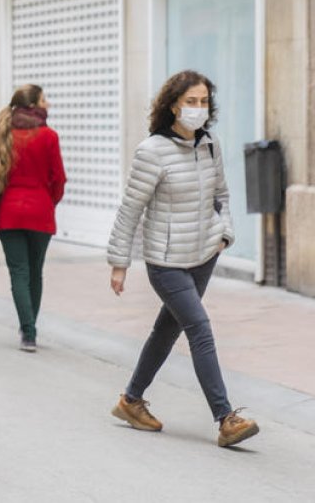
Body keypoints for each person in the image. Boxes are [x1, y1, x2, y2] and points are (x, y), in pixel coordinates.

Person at [107, 70, 259, 448]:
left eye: (203, 101)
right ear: (173, 104)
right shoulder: (152, 151)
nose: (198, 108)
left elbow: (221, 194)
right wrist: (120, 262)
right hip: (166, 261)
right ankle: (226, 418)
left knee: (166, 331)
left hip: (203, 254)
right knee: (199, 328)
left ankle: (130, 399)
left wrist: (224, 232)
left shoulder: (210, 144)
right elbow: (130, 210)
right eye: (190, 101)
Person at [0, 85, 66, 352]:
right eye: (44, 99)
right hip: (40, 212)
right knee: (35, 272)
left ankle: (28, 332)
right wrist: (48, 202)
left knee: (18, 273)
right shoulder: (49, 136)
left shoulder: (3, 135)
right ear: (33, 105)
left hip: (9, 213)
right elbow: (59, 179)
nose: (48, 104)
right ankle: (29, 327)